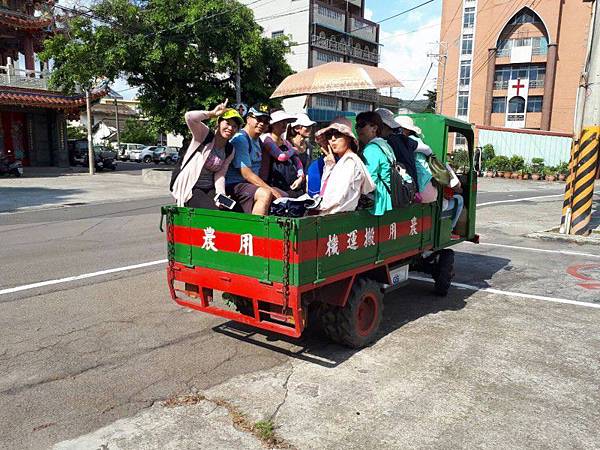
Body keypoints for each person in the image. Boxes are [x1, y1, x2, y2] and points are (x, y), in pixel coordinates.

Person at [171, 100, 243, 208]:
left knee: (226, 210)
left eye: (234, 126)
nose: (230, 128)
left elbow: (220, 174)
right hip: (191, 186)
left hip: (209, 187)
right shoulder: (204, 135)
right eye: (227, 123)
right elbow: (189, 117)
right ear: (218, 123)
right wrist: (212, 114)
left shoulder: (229, 150)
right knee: (212, 213)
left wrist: (221, 193)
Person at [225, 106, 282, 215]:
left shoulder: (258, 140)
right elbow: (246, 174)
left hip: (249, 185)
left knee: (284, 196)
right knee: (265, 194)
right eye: (259, 119)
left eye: (266, 121)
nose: (262, 123)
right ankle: (257, 231)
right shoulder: (241, 139)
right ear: (248, 119)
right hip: (235, 185)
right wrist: (270, 189)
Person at [315, 117, 375, 215]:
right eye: (330, 136)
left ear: (349, 138)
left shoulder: (350, 162)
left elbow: (338, 198)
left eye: (338, 135)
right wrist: (329, 166)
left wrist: (319, 208)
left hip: (337, 217)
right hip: (332, 216)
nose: (333, 139)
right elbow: (326, 191)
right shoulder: (341, 162)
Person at [356, 111, 397, 216]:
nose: (358, 129)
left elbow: (369, 179)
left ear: (374, 128)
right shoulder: (384, 145)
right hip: (388, 198)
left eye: (362, 125)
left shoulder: (371, 149)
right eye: (357, 126)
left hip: (378, 203)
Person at [260, 109, 305, 197]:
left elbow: (297, 160)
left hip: (290, 184)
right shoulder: (266, 139)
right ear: (272, 124)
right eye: (281, 122)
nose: (284, 124)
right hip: (273, 183)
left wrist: (300, 176)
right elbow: (281, 156)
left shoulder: (286, 142)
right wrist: (293, 150)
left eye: (286, 122)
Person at [375, 108, 418, 184]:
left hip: (400, 189)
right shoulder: (402, 139)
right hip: (410, 188)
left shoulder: (387, 142)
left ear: (383, 126)